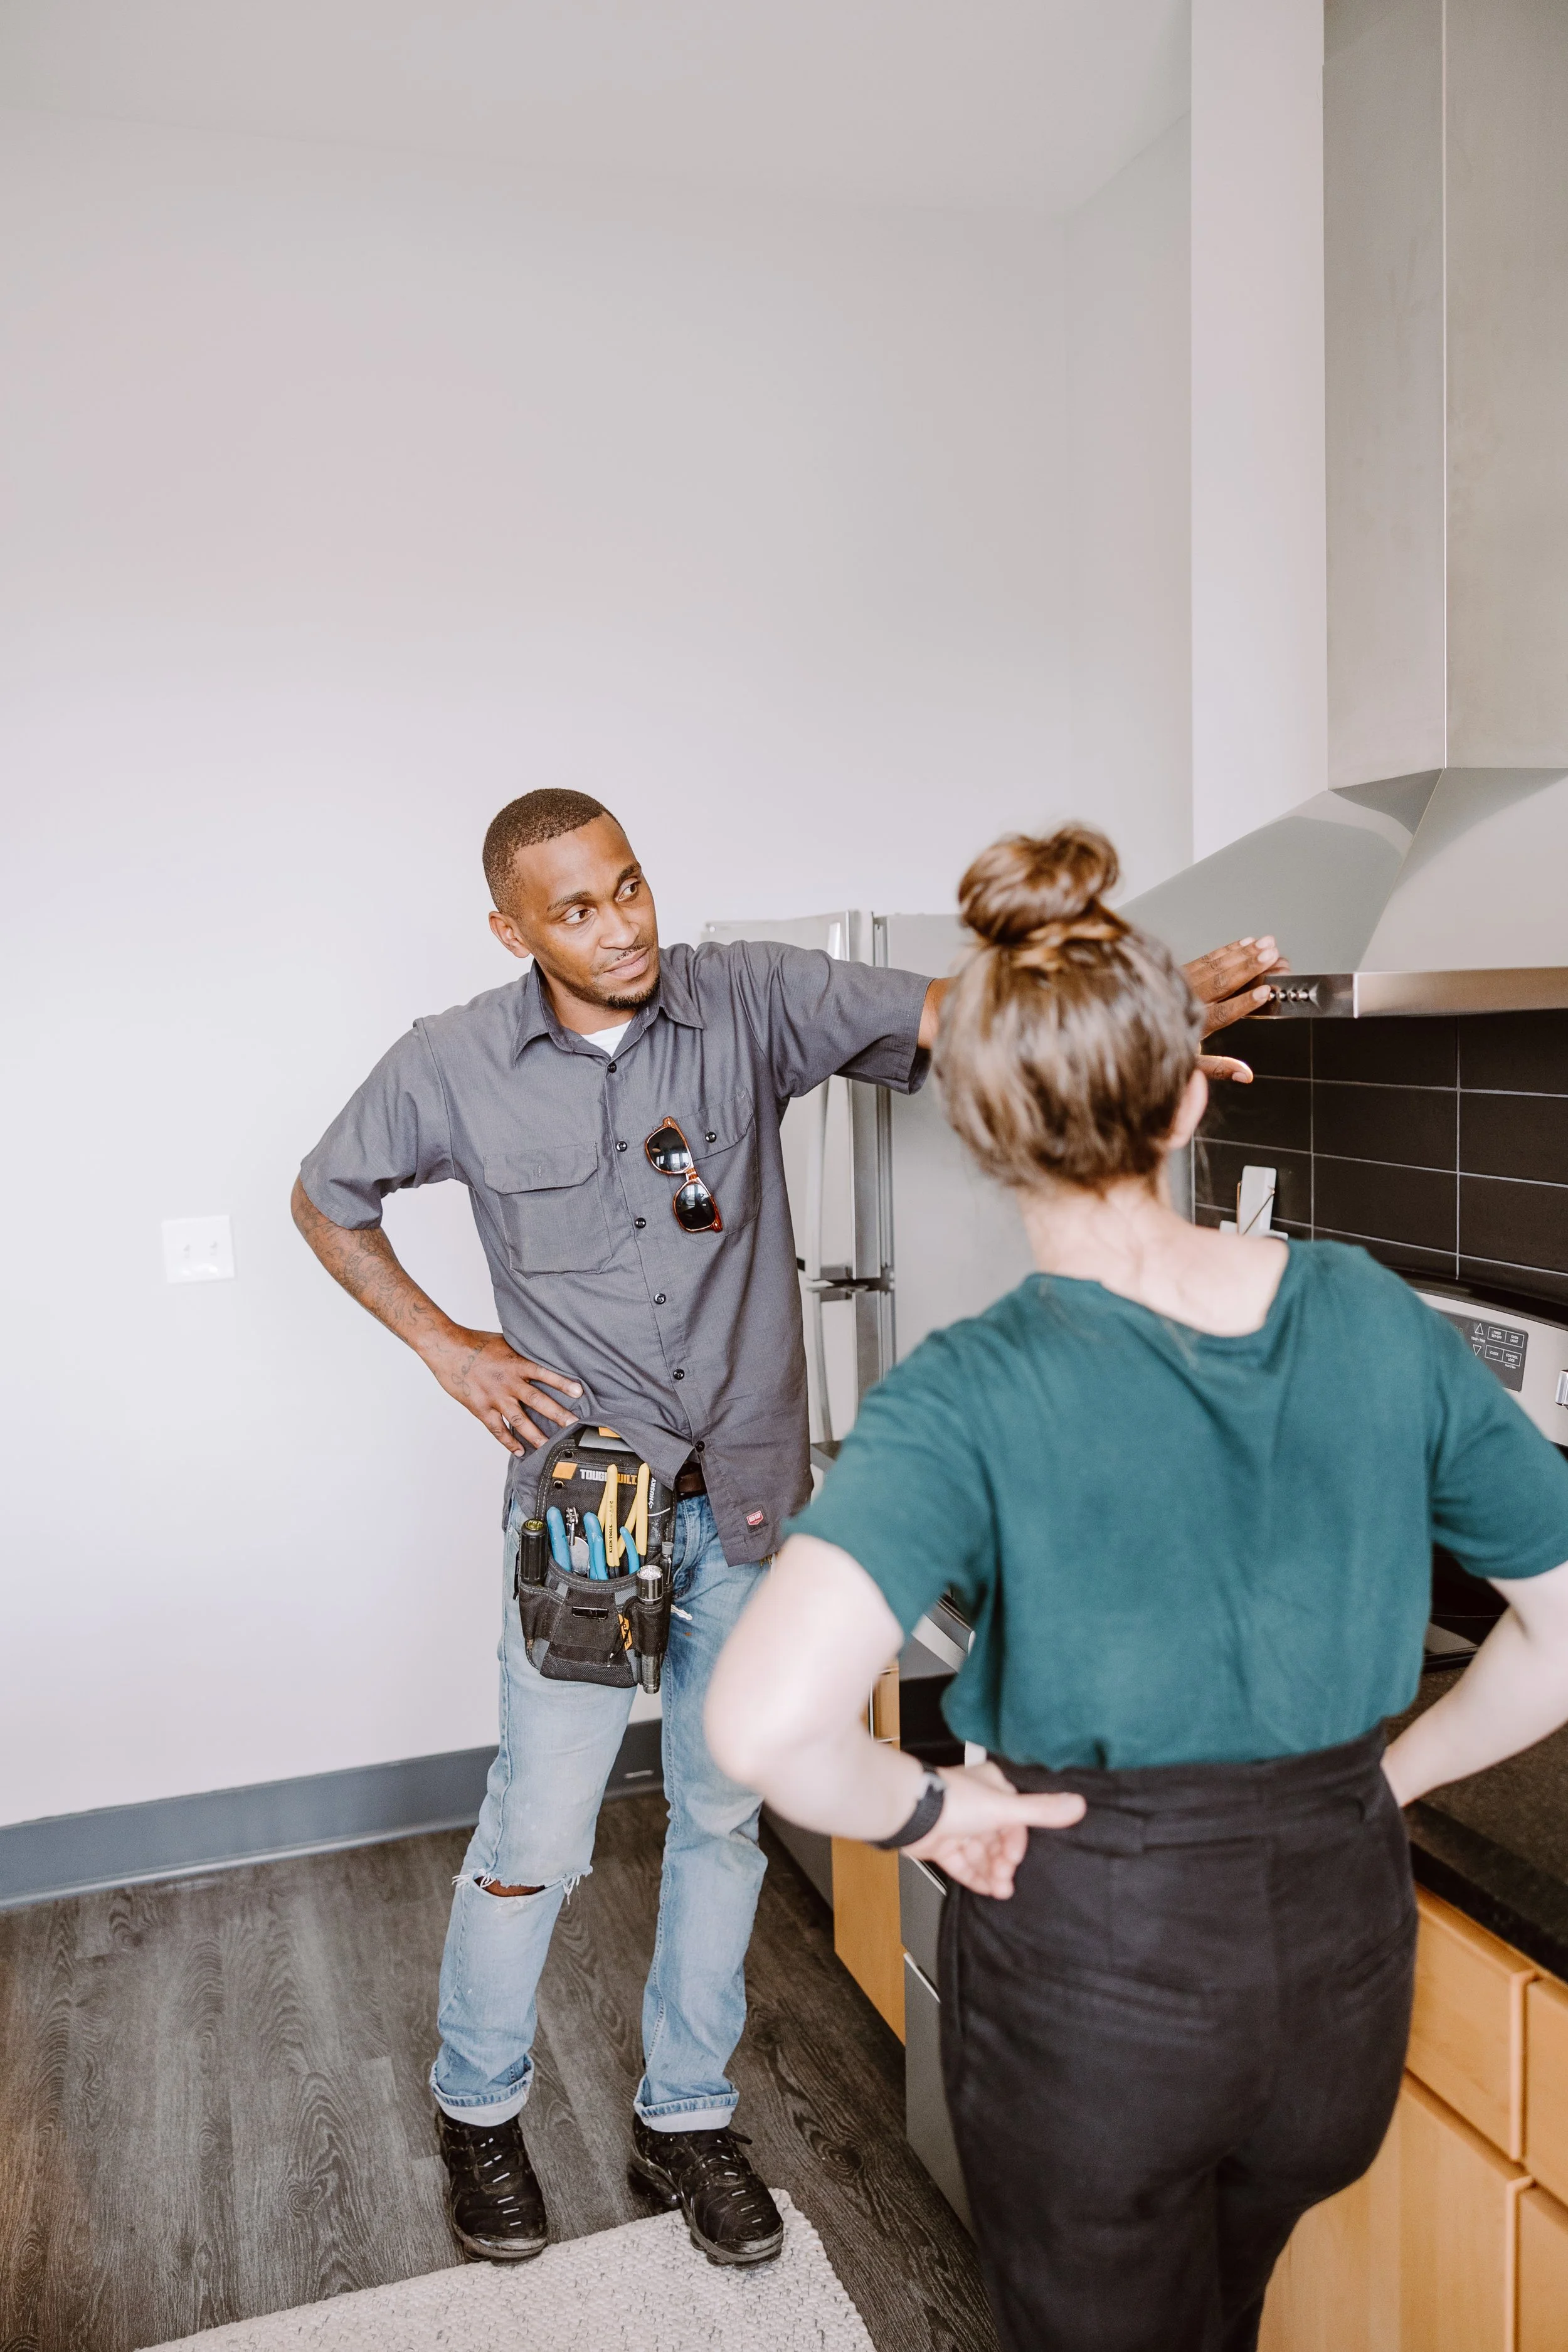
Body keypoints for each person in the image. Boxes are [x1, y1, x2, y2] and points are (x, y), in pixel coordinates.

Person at [291, 788, 1285, 2269]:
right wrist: (449, 1346)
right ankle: (478, 2109)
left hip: (749, 1497)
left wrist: (1128, 1009)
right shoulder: (448, 1065)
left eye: (628, 887)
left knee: (721, 1817)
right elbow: (326, 1197)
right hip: (586, 1516)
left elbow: (963, 1011)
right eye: (577, 908)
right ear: (513, 928)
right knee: (539, 1836)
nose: (621, 924)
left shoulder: (747, 993)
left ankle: (683, 2119)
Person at [705, 822, 1568, 2352]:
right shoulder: (1367, 1312)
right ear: (1187, 1096)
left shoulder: (969, 1393)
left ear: (974, 1127)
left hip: (1099, 1979)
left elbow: (765, 1728)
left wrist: (937, 1813)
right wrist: (1386, 1780)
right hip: (1335, 1988)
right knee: (1220, 2312)